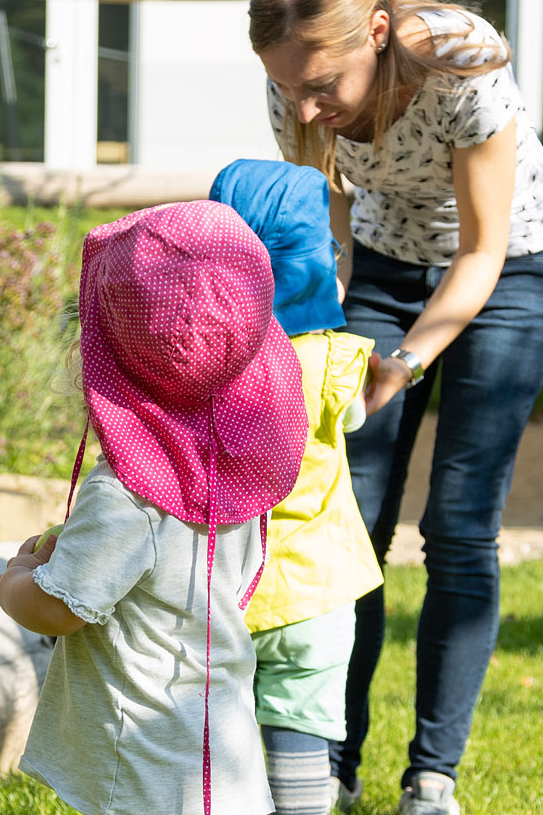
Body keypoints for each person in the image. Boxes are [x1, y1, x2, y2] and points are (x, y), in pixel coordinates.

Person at [249, 0, 543, 815]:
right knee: (348, 520)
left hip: (508, 277)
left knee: (461, 526)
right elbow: (312, 238)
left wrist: (405, 362)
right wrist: (314, 345)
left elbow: (484, 249)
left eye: (323, 86)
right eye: (287, 85)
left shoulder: (463, 66)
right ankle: (330, 765)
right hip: (385, 268)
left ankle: (432, 778)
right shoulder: (294, 92)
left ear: (378, 33)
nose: (307, 106)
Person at [0, 200, 307, 815]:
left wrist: (15, 579)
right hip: (222, 751)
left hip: (142, 765)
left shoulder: (127, 496)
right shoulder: (240, 460)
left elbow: (61, 611)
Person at [208, 159, 384, 815]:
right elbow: (357, 415)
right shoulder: (335, 360)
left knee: (218, 746)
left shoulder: (204, 362)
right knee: (301, 735)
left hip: (223, 591)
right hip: (315, 592)